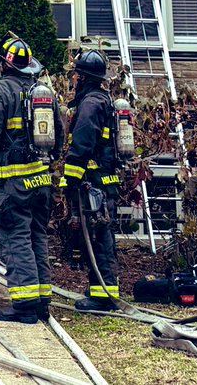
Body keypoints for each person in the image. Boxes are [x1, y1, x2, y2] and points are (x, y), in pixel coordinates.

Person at [0, 34, 63, 323]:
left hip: (12, 186)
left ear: (4, 65)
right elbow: (58, 138)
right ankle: (41, 301)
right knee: (37, 237)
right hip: (41, 182)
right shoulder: (43, 93)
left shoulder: (0, 92)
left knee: (16, 239)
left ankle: (24, 307)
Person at [60, 49, 121, 312]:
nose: (74, 79)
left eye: (76, 75)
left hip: (92, 181)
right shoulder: (102, 99)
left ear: (82, 77)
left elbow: (82, 145)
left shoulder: (90, 104)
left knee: (98, 238)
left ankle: (102, 297)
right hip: (103, 180)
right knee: (101, 236)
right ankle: (100, 290)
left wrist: (70, 179)